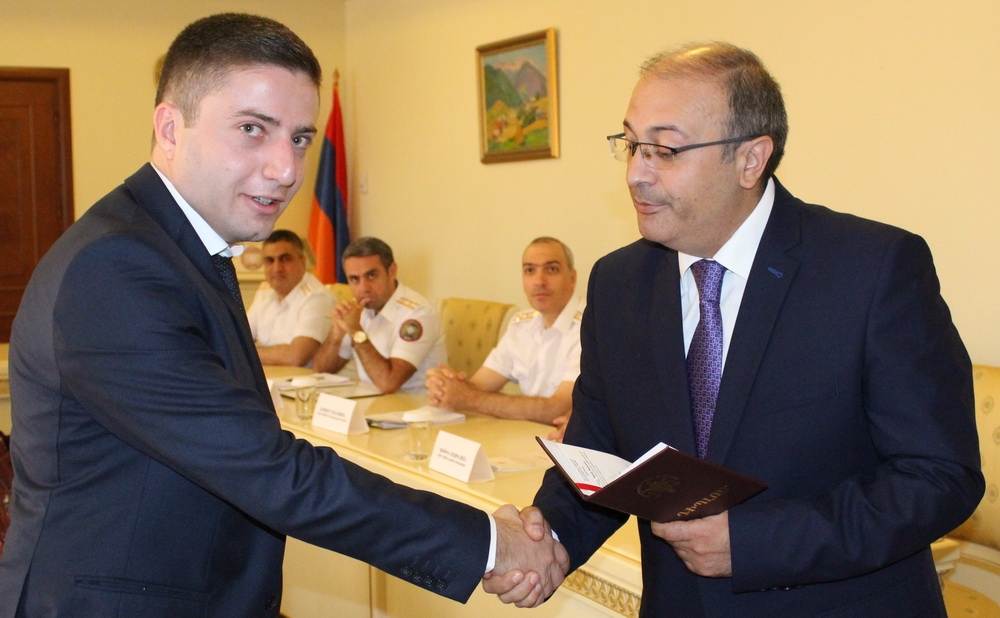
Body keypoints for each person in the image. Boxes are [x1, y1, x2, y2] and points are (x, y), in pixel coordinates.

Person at [0, 13, 566, 615]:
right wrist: (487, 544)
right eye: (252, 129)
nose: (287, 169)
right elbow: (267, 469)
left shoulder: (172, 249)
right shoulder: (117, 267)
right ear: (169, 128)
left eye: (299, 138)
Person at [489, 42, 984, 615]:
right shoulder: (618, 282)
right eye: (631, 144)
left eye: (665, 150)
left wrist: (756, 542)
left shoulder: (872, 269)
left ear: (751, 159)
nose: (636, 174)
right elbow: (598, 452)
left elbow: (939, 476)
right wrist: (547, 535)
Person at [426, 237, 582, 438]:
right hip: (526, 437)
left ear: (572, 278)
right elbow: (478, 386)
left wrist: (467, 398)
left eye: (551, 269)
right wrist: (447, 386)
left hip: (565, 443)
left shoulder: (590, 327)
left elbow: (557, 409)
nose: (539, 281)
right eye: (530, 270)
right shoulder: (521, 324)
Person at [311, 237, 446, 393]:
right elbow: (320, 369)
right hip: (372, 403)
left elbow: (387, 383)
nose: (363, 288)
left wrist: (356, 331)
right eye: (354, 279)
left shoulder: (418, 314)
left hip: (414, 405)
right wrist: (336, 334)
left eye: (371, 276)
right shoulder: (359, 311)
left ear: (392, 271)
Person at [248, 229, 334, 366]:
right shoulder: (264, 294)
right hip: (268, 376)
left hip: (302, 378)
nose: (277, 268)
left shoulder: (317, 297)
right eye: (270, 260)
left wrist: (246, 353)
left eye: (285, 259)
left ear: (302, 261)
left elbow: (295, 357)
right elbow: (237, 341)